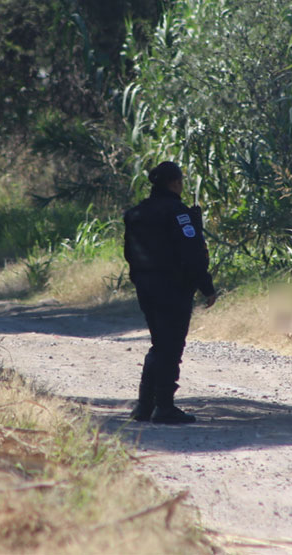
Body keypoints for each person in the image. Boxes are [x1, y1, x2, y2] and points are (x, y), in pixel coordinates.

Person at [124, 161, 218, 424]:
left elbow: (129, 253)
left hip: (145, 285)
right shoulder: (178, 214)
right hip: (172, 287)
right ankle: (163, 406)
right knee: (171, 345)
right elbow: (193, 254)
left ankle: (145, 406)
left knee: (159, 343)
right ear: (175, 183)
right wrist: (207, 287)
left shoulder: (136, 213)